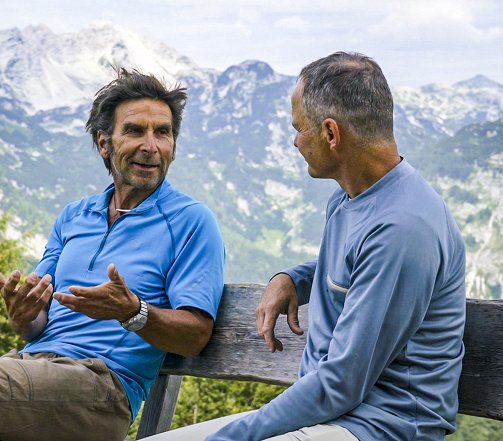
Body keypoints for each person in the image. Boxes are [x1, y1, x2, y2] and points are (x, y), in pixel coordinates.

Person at [0, 69, 225, 441]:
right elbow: (36, 321)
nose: (151, 145)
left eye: (163, 132)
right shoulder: (73, 216)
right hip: (36, 372)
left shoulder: (191, 221)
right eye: (135, 131)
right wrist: (23, 314)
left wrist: (133, 311)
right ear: (104, 144)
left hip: (103, 388)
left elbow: (195, 337)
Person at [142, 52, 466, 441]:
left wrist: (231, 435)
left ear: (331, 134)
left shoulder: (404, 227)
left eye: (299, 128)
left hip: (382, 426)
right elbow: (358, 264)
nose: (295, 141)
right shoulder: (352, 197)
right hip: (334, 415)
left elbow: (342, 383)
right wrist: (293, 278)